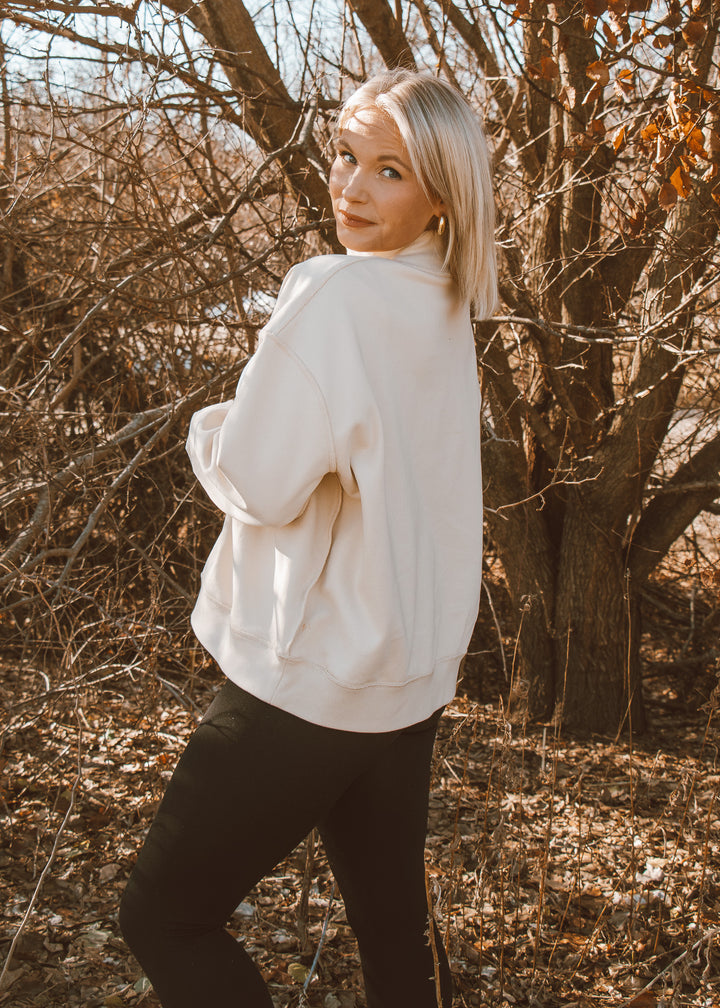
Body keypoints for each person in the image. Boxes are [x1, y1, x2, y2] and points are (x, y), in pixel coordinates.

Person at [119, 68, 497, 1008]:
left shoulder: (336, 300)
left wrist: (210, 427)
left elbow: (256, 477)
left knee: (163, 916)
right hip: (407, 679)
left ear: (443, 192)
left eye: (389, 171)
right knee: (390, 928)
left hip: (316, 680)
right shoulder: (442, 297)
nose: (352, 188)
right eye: (344, 155)